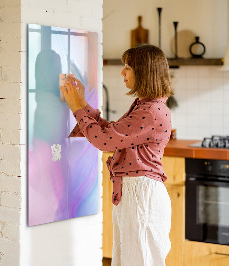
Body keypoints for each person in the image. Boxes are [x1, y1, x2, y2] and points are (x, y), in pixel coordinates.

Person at [60, 44, 173, 266]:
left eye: (128, 67)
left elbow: (104, 141)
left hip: (141, 196)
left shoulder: (150, 111)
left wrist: (76, 108)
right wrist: (82, 103)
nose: (122, 72)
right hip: (135, 194)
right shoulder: (146, 106)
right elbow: (112, 133)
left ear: (144, 71)